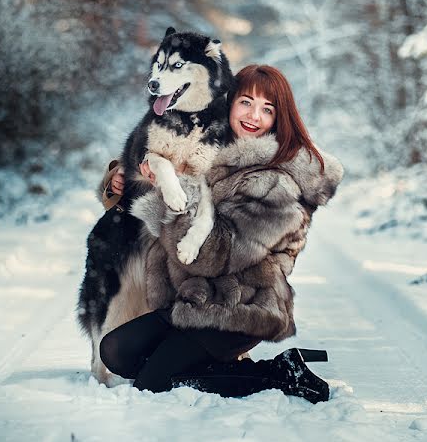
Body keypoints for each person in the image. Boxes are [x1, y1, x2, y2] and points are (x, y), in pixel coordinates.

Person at [96, 64, 343, 402]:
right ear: (229, 102)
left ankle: (281, 373)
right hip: (191, 299)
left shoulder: (277, 182)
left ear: (280, 118)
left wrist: (174, 195)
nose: (254, 115)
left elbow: (215, 256)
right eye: (246, 102)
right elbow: (150, 161)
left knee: (153, 383)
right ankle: (202, 364)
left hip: (239, 308)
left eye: (267, 109)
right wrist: (121, 181)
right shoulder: (211, 151)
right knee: (116, 352)